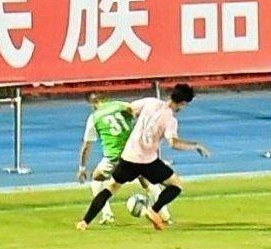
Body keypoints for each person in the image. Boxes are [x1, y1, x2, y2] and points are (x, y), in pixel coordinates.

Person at [83, 83, 204, 228]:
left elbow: (130, 108)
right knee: (176, 185)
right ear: (183, 103)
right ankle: (155, 210)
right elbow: (173, 143)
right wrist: (195, 145)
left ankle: (85, 221)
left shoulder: (151, 102)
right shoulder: (170, 119)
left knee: (110, 188)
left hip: (128, 156)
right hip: (147, 161)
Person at [78, 93, 139, 221]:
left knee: (97, 178)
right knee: (147, 181)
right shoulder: (119, 105)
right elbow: (136, 110)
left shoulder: (94, 117)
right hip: (134, 153)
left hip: (114, 157)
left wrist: (82, 168)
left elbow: (87, 146)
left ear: (92, 104)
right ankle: (164, 215)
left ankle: (107, 214)